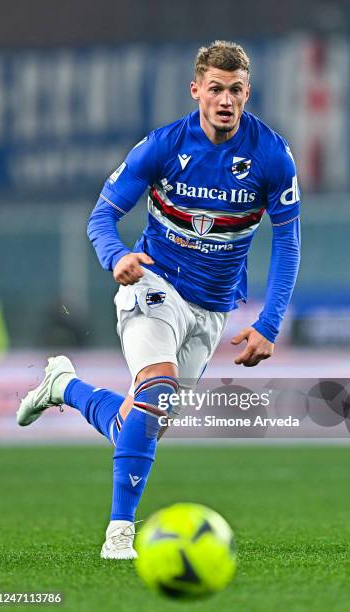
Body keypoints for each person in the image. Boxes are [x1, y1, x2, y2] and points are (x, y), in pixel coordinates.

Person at [17, 41, 301, 560]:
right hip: (154, 284)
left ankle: (64, 385)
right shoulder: (163, 147)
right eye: (215, 88)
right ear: (196, 90)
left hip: (212, 308)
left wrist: (269, 322)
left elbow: (288, 240)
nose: (225, 100)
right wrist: (115, 257)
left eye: (235, 90)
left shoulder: (271, 155)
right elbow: (101, 217)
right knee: (157, 386)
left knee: (145, 420)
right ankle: (120, 533)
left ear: (247, 93)